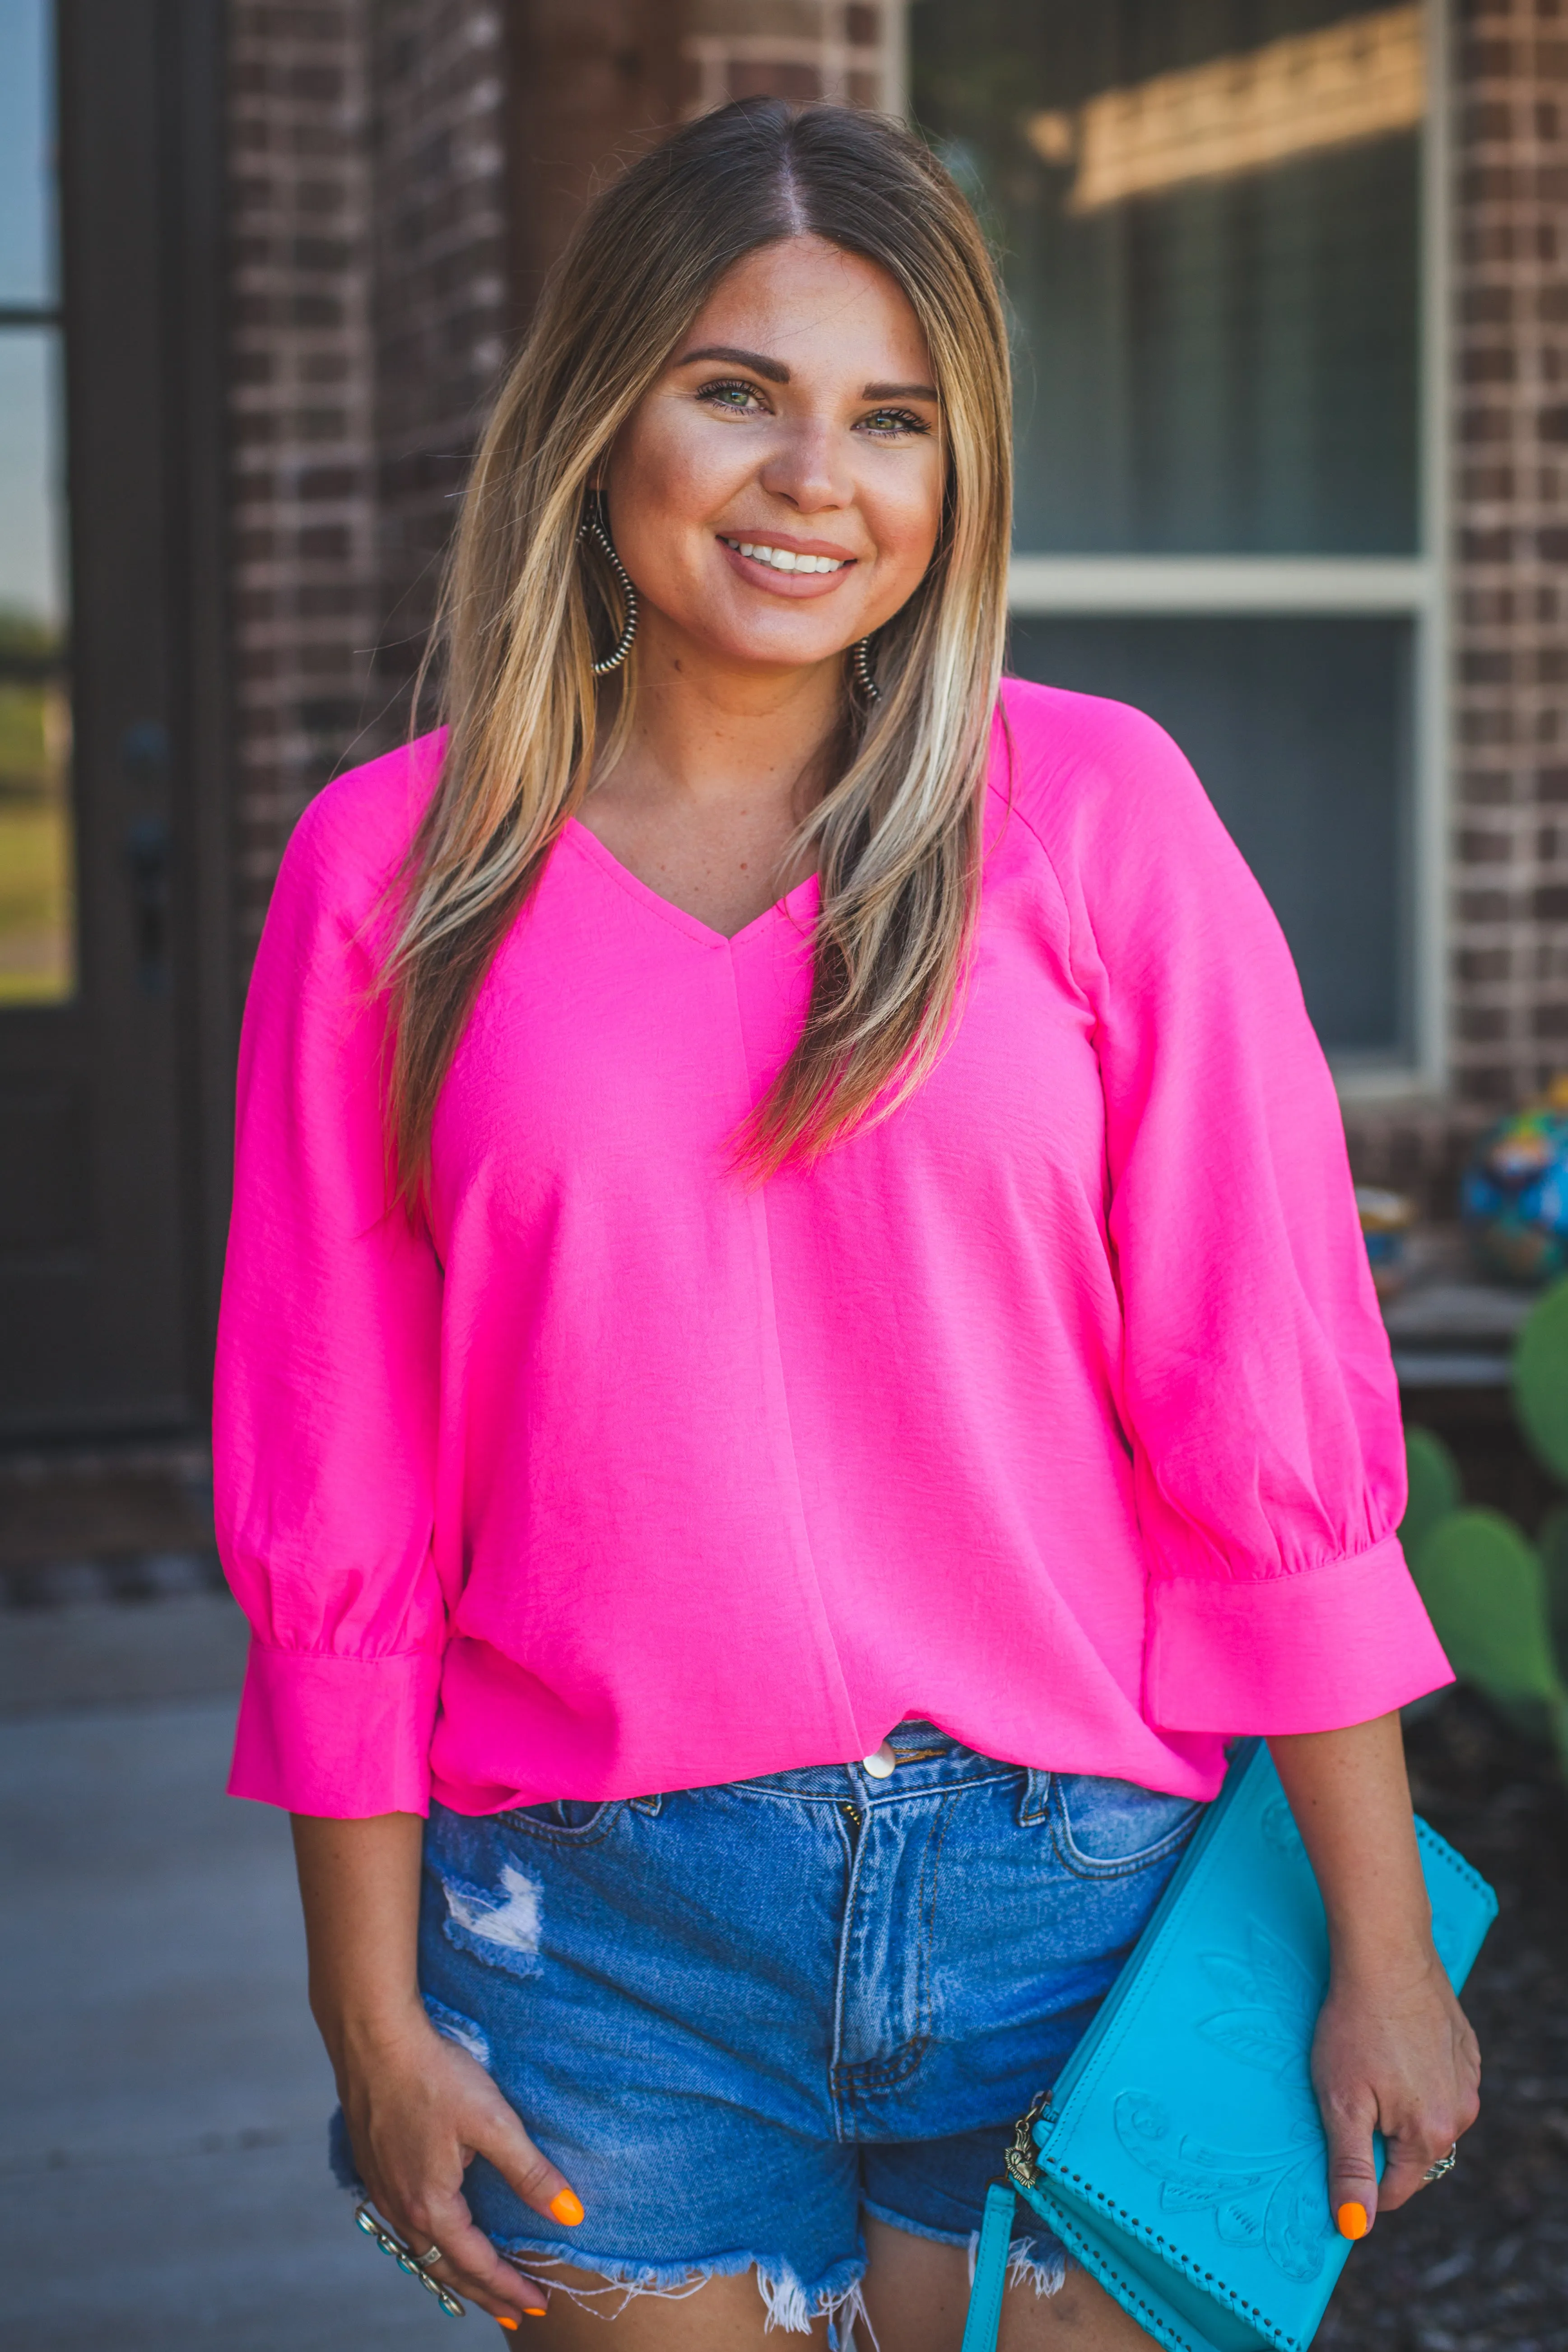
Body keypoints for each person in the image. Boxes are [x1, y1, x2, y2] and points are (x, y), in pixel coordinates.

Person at [214, 98, 1480, 2350]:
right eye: (740, 391)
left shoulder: (1094, 815)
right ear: (605, 414)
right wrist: (369, 2022)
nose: (818, 480)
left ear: (955, 479)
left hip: (1069, 1906)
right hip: (599, 1934)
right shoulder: (389, 880)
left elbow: (1257, 1403)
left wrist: (1378, 1952)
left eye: (893, 419)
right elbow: (340, 1496)